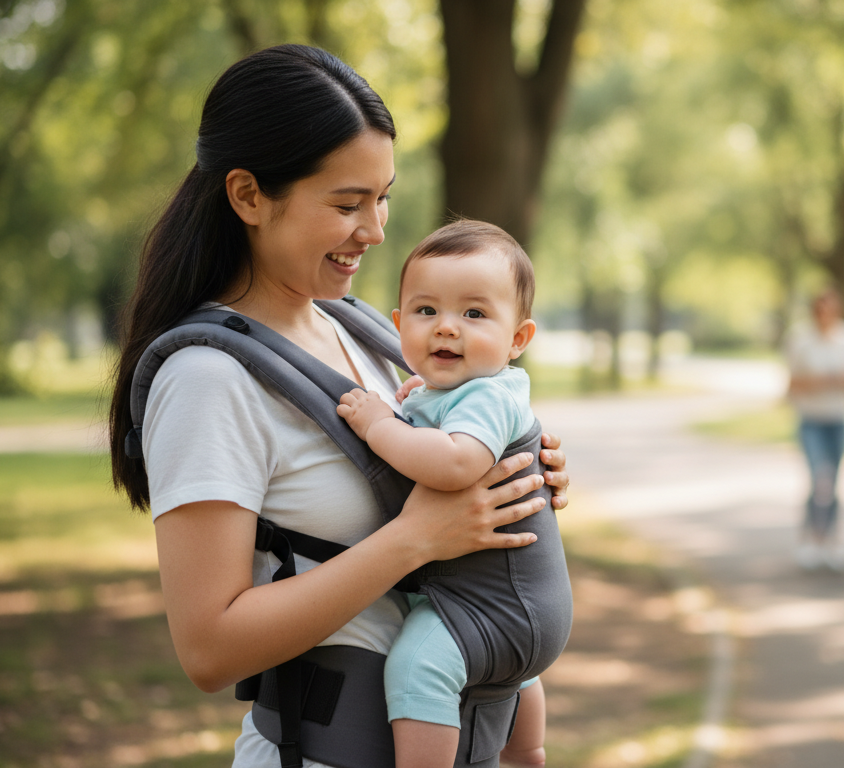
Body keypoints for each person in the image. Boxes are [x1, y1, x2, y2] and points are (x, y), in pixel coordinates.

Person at [105, 45, 569, 767]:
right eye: (348, 204)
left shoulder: (370, 333)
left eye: (382, 198)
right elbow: (208, 649)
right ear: (249, 196)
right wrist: (417, 538)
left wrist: (517, 479)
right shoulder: (208, 380)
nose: (377, 230)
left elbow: (441, 457)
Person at [335, 220, 557, 768]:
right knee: (511, 671)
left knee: (416, 666)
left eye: (474, 314)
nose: (446, 329)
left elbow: (456, 464)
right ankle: (527, 752)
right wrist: (416, 400)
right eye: (426, 311)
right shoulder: (458, 391)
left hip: (494, 605)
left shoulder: (487, 395)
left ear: (518, 340)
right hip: (522, 610)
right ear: (398, 323)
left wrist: (380, 425)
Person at [784, 288, 844, 571]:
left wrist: (843, 382)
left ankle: (832, 540)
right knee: (818, 477)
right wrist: (823, 381)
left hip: (839, 418)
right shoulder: (800, 339)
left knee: (835, 481)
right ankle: (810, 538)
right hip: (811, 419)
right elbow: (792, 382)